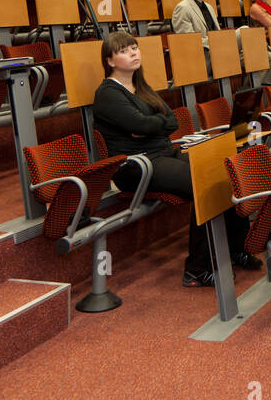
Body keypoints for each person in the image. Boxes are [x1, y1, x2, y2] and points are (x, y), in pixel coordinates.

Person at [92, 30, 257, 287]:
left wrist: (150, 125)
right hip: (136, 165)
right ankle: (197, 268)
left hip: (163, 153)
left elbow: (171, 121)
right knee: (202, 183)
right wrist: (151, 125)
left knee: (224, 172)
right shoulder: (107, 93)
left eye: (134, 47)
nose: (133, 53)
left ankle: (237, 249)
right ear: (110, 61)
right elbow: (143, 124)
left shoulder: (142, 86)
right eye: (124, 50)